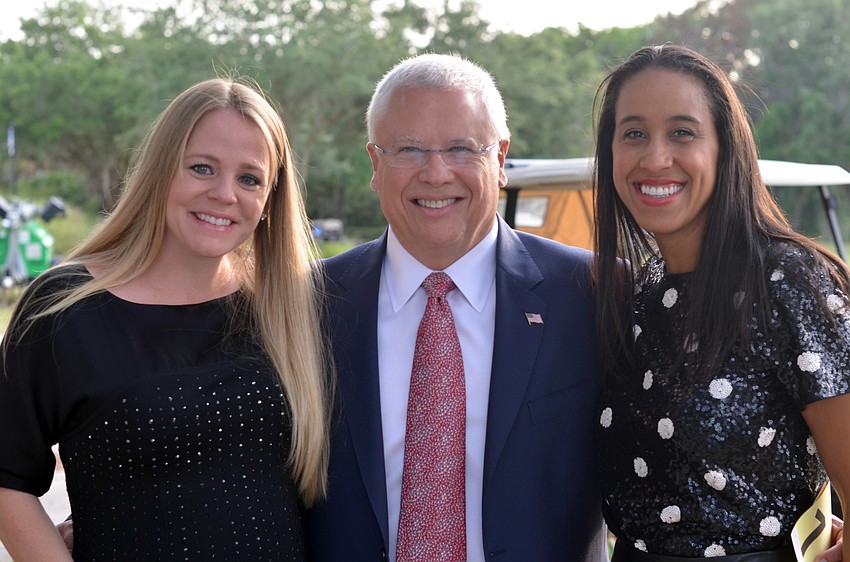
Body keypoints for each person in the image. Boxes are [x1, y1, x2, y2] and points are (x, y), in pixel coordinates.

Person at [0, 77, 331, 561]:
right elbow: (8, 479)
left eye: (249, 178)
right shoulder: (64, 307)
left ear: (269, 199)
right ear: (160, 171)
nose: (224, 194)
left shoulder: (291, 305)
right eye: (202, 168)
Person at [300, 53, 607, 561]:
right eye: (409, 149)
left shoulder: (591, 292)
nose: (436, 173)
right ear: (376, 164)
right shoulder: (310, 305)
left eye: (462, 148)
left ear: (501, 158)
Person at [592, 44, 850, 561]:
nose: (655, 157)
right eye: (634, 133)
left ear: (725, 149)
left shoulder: (785, 283)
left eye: (682, 132)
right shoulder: (642, 290)